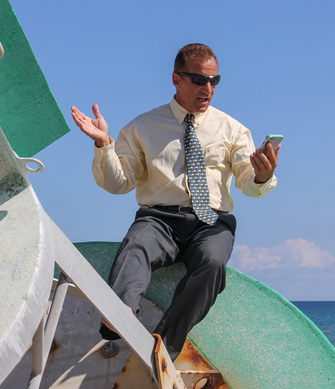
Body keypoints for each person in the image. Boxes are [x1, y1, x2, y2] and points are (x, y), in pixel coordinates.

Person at [70, 43, 279, 360]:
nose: (207, 88)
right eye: (198, 79)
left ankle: (163, 347)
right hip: (159, 220)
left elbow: (248, 182)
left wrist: (262, 176)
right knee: (136, 244)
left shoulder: (234, 129)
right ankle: (119, 316)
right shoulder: (142, 127)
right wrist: (104, 145)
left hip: (212, 223)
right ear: (176, 79)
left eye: (214, 81)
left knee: (213, 264)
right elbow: (119, 183)